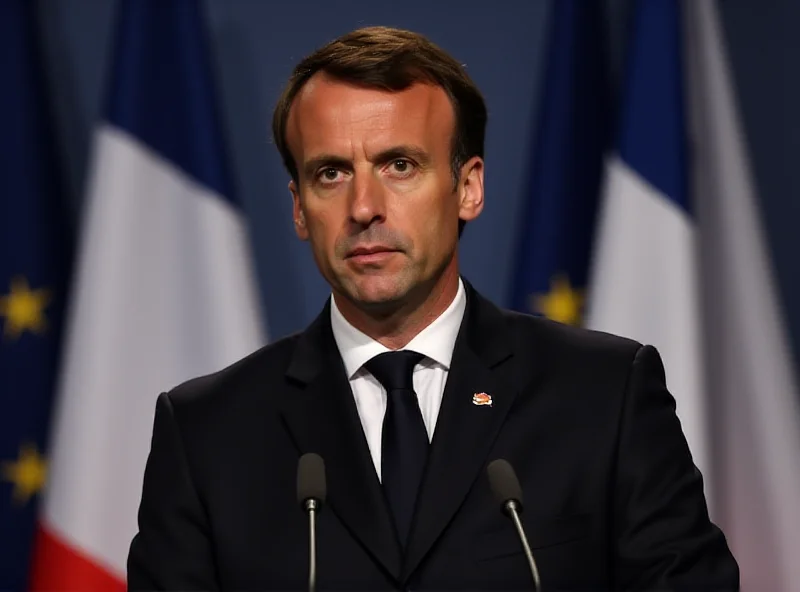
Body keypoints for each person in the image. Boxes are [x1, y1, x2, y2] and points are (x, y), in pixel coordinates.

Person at [127, 26, 739, 591]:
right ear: (298, 207)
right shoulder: (207, 433)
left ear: (467, 187)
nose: (364, 206)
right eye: (331, 173)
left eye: (400, 165)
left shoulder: (605, 396)